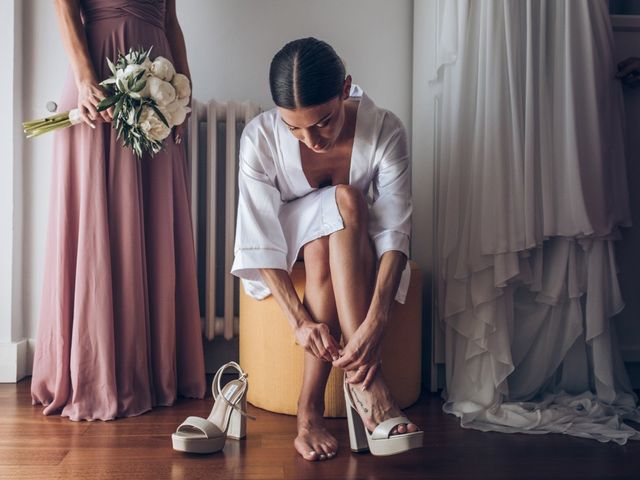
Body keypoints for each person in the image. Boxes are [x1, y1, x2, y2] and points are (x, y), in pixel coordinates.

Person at [232, 37, 422, 461]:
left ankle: (309, 411)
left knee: (334, 225)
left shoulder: (385, 130)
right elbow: (258, 238)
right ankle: (369, 389)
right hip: (288, 240)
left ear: (344, 89)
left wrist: (379, 318)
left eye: (322, 122)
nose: (310, 138)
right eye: (293, 127)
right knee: (346, 199)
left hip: (348, 241)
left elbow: (395, 232)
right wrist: (299, 322)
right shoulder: (258, 139)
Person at [31, 0, 205, 421]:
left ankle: (151, 371)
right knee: (94, 220)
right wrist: (86, 79)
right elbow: (64, 8)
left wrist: (184, 91)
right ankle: (94, 372)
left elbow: (171, 21)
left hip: (156, 92)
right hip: (98, 79)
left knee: (150, 222)